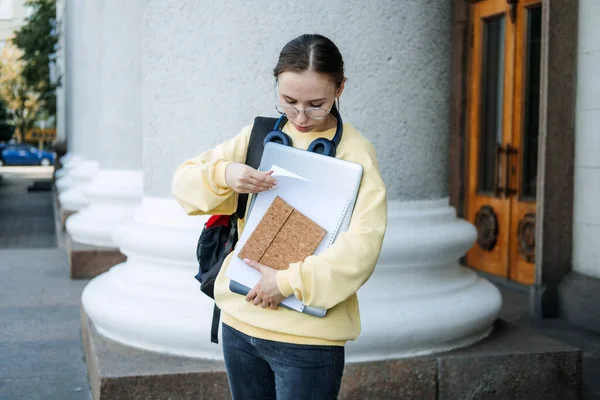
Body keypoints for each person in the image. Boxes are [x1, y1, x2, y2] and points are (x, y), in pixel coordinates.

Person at [172, 34, 387, 400]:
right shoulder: (258, 136)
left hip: (306, 341)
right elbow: (183, 182)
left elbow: (363, 246)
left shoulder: (356, 153)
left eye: (316, 105)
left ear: (340, 88)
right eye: (289, 102)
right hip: (239, 324)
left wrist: (287, 283)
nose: (301, 117)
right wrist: (227, 174)